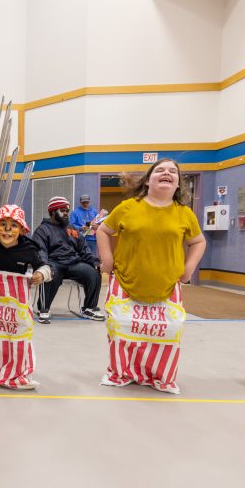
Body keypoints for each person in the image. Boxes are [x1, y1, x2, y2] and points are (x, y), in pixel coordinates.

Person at [95, 159, 206, 394]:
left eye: (173, 171)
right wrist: (107, 260)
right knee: (123, 329)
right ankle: (121, 372)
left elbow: (198, 241)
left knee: (167, 331)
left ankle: (160, 376)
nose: (167, 173)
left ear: (178, 183)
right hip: (126, 280)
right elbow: (103, 230)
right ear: (147, 180)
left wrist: (189, 268)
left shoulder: (184, 213)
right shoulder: (127, 207)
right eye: (160, 170)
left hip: (167, 284)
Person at [0, 205, 52, 390]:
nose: (7, 229)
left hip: (17, 304)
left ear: (21, 229)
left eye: (13, 225)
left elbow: (46, 267)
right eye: (3, 224)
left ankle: (17, 369)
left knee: (18, 334)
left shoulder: (30, 248)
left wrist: (41, 275)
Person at [33, 196, 105, 322]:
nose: (66, 213)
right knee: (48, 272)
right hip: (54, 263)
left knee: (93, 273)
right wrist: (44, 265)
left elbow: (83, 249)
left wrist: (95, 262)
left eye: (67, 210)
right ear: (52, 212)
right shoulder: (42, 230)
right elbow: (40, 251)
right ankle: (43, 308)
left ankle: (89, 308)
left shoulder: (72, 229)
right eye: (62, 210)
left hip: (73, 263)